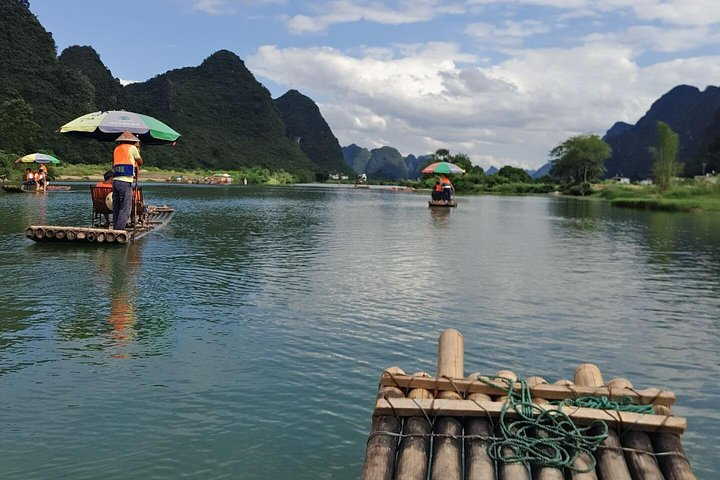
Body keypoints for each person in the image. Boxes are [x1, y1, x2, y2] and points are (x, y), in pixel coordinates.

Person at [112, 131, 143, 230]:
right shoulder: (132, 148)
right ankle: (119, 230)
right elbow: (140, 161)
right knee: (125, 208)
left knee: (116, 206)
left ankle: (115, 228)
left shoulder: (116, 149)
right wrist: (138, 149)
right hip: (125, 181)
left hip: (115, 180)